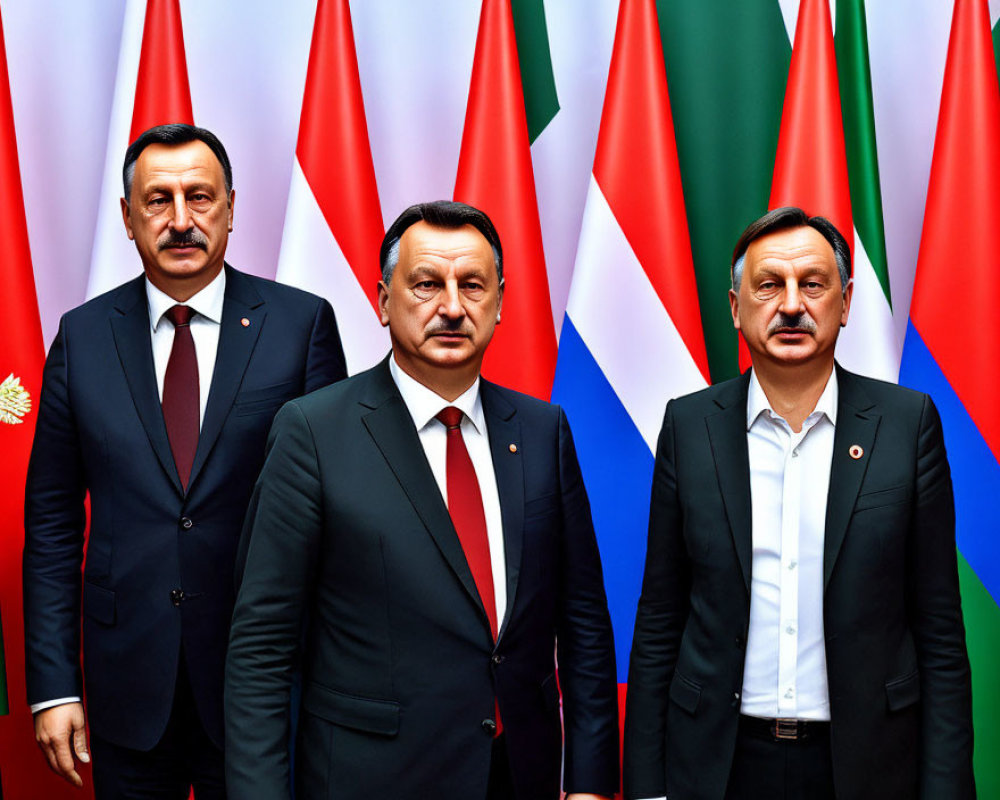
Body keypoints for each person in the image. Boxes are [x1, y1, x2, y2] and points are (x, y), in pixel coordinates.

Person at [225, 200, 619, 800]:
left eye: (473, 286)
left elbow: (584, 622)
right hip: (370, 779)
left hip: (519, 775)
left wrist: (590, 781)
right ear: (384, 300)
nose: (453, 308)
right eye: (427, 285)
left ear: (501, 302)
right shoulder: (314, 431)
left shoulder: (543, 431)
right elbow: (262, 647)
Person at [23, 123, 347, 798]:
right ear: (127, 216)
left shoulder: (301, 325)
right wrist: (53, 689)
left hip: (263, 681)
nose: (180, 221)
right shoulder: (81, 336)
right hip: (125, 683)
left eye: (199, 198)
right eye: (157, 200)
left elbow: (336, 517)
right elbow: (51, 524)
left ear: (230, 207)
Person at [623, 207, 974, 800]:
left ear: (845, 301)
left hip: (864, 764)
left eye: (812, 284)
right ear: (736, 308)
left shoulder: (906, 424)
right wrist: (647, 786)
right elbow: (661, 618)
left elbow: (938, 633)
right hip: (718, 763)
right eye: (769, 285)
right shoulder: (689, 427)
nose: (791, 305)